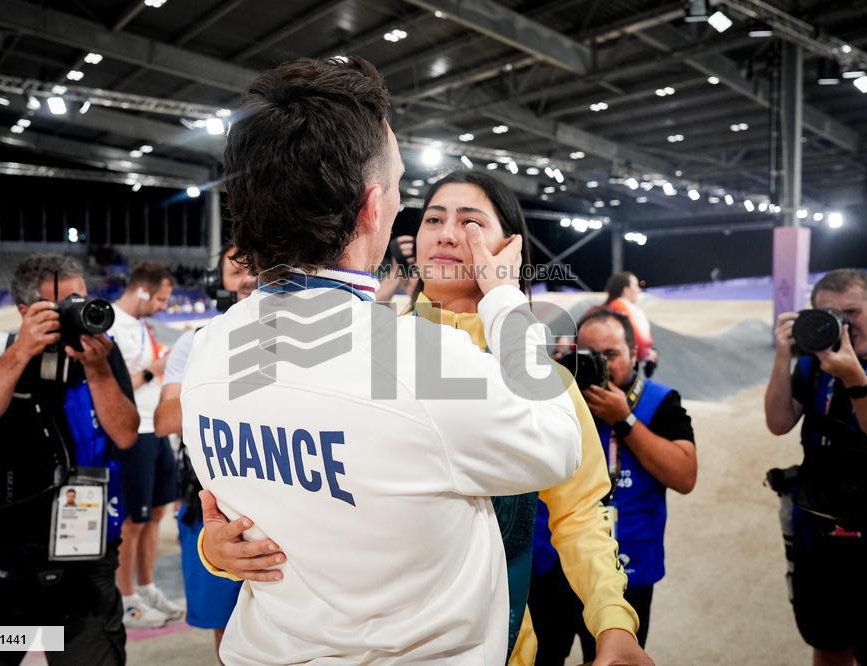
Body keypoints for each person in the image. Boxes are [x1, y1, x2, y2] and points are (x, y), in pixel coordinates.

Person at [182, 56, 582, 664]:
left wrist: (214, 550)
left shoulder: (209, 349)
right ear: (372, 207)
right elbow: (559, 441)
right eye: (397, 184)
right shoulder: (424, 362)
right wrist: (505, 300)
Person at [200, 170, 654, 666]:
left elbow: (580, 515)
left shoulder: (542, 385)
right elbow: (297, 475)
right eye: (434, 219)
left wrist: (613, 620)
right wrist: (216, 547)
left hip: (498, 645)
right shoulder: (363, 350)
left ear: (510, 250)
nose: (447, 234)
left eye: (471, 222)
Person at [0, 253, 139, 665]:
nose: (77, 310)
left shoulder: (102, 350)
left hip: (84, 552)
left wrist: (98, 369)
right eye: (63, 303)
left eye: (82, 298)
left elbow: (125, 433)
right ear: (24, 310)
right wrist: (20, 353)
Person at [531, 308, 696, 663]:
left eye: (610, 354)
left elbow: (684, 476)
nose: (599, 364)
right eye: (588, 354)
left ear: (634, 354)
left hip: (626, 571)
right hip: (550, 567)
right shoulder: (557, 397)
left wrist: (625, 419)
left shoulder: (660, 401)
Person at [765, 268, 867, 666]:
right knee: (827, 641)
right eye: (830, 315)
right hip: (821, 526)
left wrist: (855, 381)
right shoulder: (813, 364)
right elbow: (778, 422)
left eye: (852, 312)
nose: (843, 325)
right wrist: (783, 356)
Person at [153, 245, 255, 658]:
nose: (249, 278)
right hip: (210, 501)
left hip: (279, 492)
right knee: (224, 623)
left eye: (257, 268)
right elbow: (164, 420)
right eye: (237, 271)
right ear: (217, 283)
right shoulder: (195, 342)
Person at [108, 261, 182, 629]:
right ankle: (126, 599)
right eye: (161, 299)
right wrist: (156, 368)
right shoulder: (109, 325)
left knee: (155, 515)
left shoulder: (139, 325)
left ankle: (148, 587)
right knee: (132, 521)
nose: (164, 307)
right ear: (142, 291)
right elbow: (115, 389)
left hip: (156, 429)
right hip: (133, 432)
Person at [602, 271, 658, 374]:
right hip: (625, 366)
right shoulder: (623, 308)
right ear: (626, 290)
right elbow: (638, 339)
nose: (638, 290)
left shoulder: (607, 308)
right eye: (636, 286)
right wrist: (647, 355)